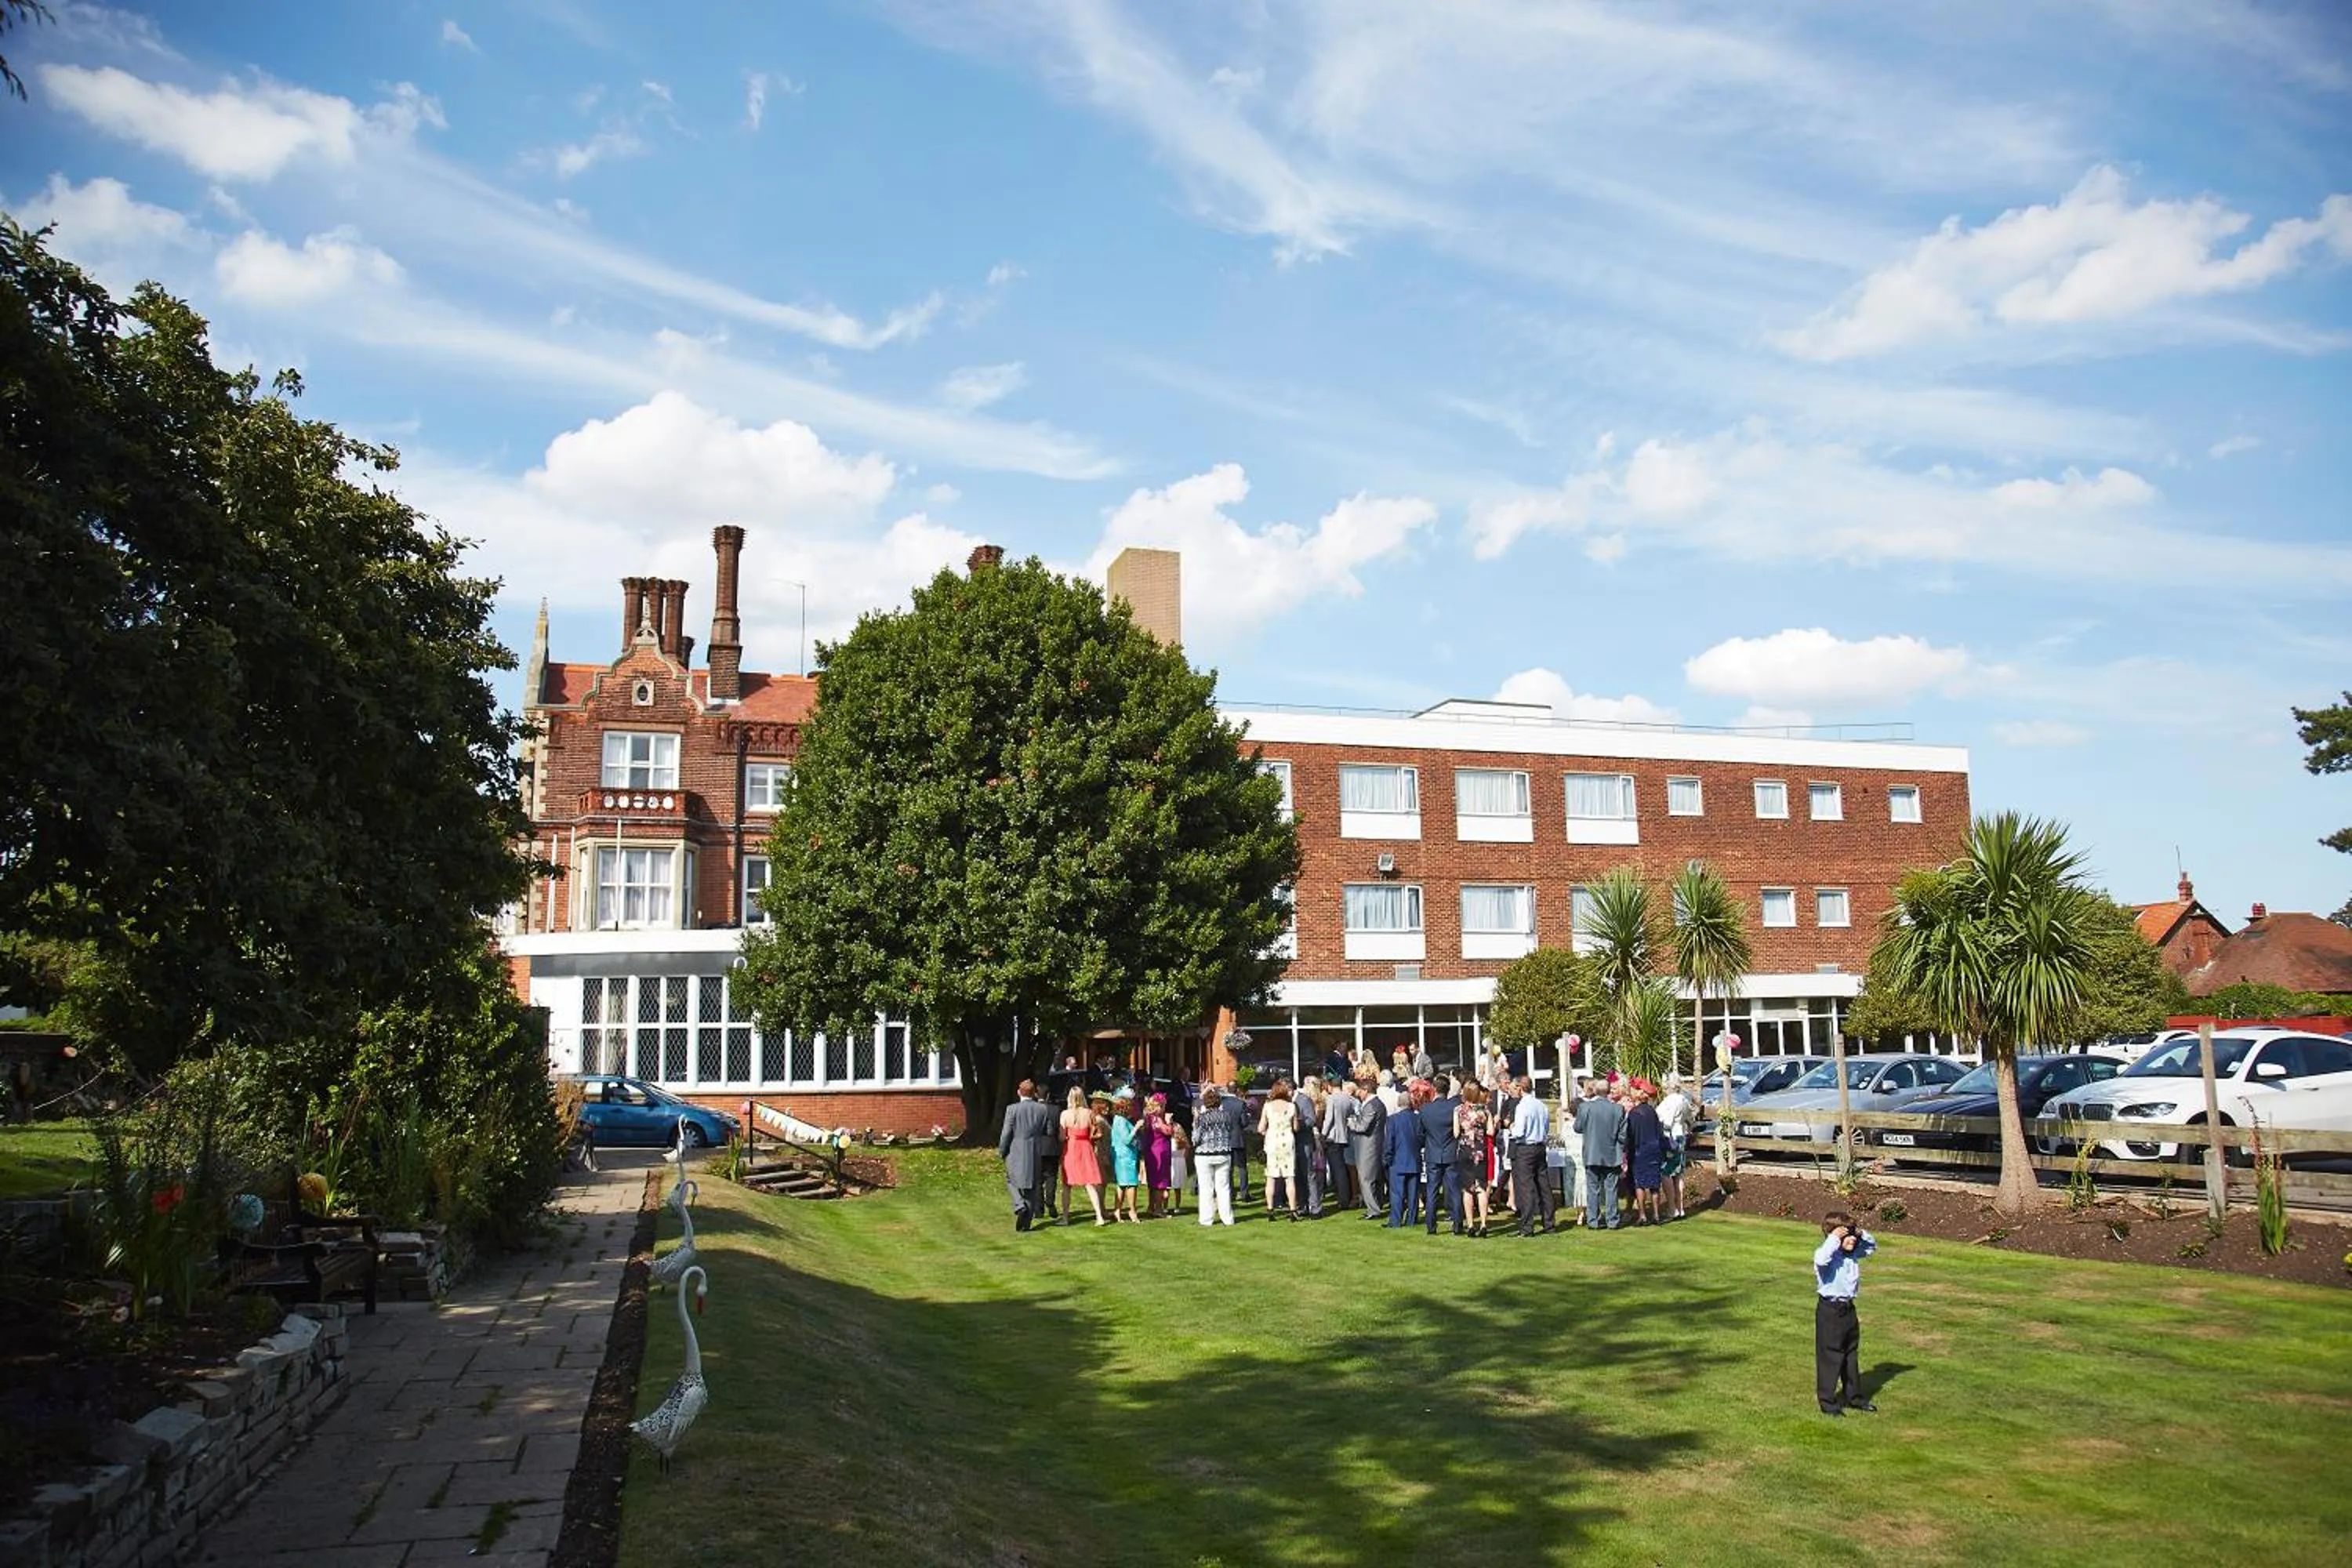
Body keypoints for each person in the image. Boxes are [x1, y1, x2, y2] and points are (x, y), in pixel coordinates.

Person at [1814, 1210, 1879, 1416]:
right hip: (1830, 1311)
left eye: (1852, 1235)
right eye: (1847, 1235)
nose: (1852, 1240)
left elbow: (1871, 1247)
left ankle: (1854, 1397)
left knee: (1850, 1355)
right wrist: (1834, 1237)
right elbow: (1821, 1259)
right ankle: (1828, 1403)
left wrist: (1860, 1233)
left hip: (1849, 1309)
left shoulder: (1852, 1254)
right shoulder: (1828, 1256)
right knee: (1831, 1356)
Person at [996, 1080, 1059, 1232]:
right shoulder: (1042, 1109)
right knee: (1032, 1186)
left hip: (1015, 1150)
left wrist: (1002, 1150)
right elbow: (1049, 1131)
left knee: (1011, 1180)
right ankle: (1026, 1224)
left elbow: (1006, 1133)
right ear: (1033, 1094)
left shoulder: (1012, 1109)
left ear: (1019, 1092)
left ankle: (1020, 1205)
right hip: (1035, 1151)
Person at [1573, 1077, 1628, 1230]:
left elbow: (1577, 1127)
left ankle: (1593, 1220)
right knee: (1611, 1189)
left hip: (1592, 1153)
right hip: (1612, 1153)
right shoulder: (1618, 1109)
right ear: (1609, 1091)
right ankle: (1612, 1220)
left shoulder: (1585, 1107)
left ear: (1595, 1091)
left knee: (1593, 1188)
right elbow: (1623, 1135)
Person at [1189, 1084, 1246, 1227]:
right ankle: (1228, 1218)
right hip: (1223, 1153)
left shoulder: (1202, 1118)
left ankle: (1206, 1219)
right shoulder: (1226, 1116)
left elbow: (1195, 1139)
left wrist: (1195, 1121)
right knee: (1224, 1187)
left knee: (1206, 1188)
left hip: (1204, 1154)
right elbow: (1230, 1131)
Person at [1507, 1076, 1555, 1236]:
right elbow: (1546, 1128)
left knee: (1526, 1187)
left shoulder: (1523, 1106)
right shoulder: (1541, 1105)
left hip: (1525, 1148)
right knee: (1544, 1186)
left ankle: (1527, 1226)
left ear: (1520, 1088)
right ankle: (1549, 1223)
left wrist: (1511, 1127)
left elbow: (1519, 1131)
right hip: (1540, 1146)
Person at [1419, 1074, 1463, 1235]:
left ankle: (1431, 1226)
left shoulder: (1426, 1109)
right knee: (1455, 1191)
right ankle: (1457, 1224)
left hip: (1433, 1154)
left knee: (1432, 1192)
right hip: (1450, 1153)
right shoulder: (1454, 1107)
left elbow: (1420, 1133)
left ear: (1434, 1089)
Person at [1059, 1087, 1109, 1227]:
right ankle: (1099, 1216)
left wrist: (1068, 1136)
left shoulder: (1065, 1114)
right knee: (1090, 1183)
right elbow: (1096, 1132)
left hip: (1071, 1148)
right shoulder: (1089, 1113)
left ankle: (1065, 1218)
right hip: (1086, 1147)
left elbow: (1062, 1136)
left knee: (1067, 1185)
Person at [1257, 1079, 1305, 1221]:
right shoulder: (1291, 1106)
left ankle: (1270, 1210)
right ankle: (1293, 1210)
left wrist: (1268, 1132)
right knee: (1289, 1177)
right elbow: (1296, 1128)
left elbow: (1260, 1128)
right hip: (1287, 1141)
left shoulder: (1267, 1106)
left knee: (1271, 1177)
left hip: (1272, 1142)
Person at [1454, 1083, 1494, 1237]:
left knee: (1467, 1189)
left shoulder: (1458, 1110)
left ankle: (1471, 1225)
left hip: (1465, 1151)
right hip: (1480, 1151)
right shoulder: (1485, 1111)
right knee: (1481, 1188)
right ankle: (1483, 1224)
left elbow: (1456, 1133)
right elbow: (1490, 1132)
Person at [1383, 1080, 1425, 1228]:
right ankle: (1412, 1219)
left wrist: (1387, 1159)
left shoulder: (1393, 1120)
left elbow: (1389, 1142)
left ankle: (1396, 1221)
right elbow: (1421, 1139)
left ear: (1399, 1104)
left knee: (1397, 1194)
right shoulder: (1417, 1119)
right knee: (1413, 1194)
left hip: (1398, 1161)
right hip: (1414, 1160)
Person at [1348, 1073, 1388, 1219]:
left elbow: (1363, 1127)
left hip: (1369, 1147)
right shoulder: (1376, 1104)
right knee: (1374, 1179)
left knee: (1366, 1179)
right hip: (1373, 1145)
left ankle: (1373, 1210)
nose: (1358, 1093)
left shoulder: (1372, 1105)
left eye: (1360, 1090)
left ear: (1366, 1090)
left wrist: (1351, 1123)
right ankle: (1376, 1205)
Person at [1625, 1083, 1665, 1225]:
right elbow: (1659, 1132)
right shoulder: (1653, 1112)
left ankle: (1642, 1215)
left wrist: (1627, 1151)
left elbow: (1630, 1135)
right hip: (1654, 1150)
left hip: (1639, 1151)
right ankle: (1656, 1215)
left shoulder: (1633, 1113)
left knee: (1640, 1185)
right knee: (1654, 1186)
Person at [1657, 1073, 1694, 1221]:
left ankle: (1672, 1209)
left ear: (1669, 1086)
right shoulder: (1684, 1100)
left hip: (1670, 1138)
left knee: (1665, 1172)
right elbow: (1690, 1120)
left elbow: (1667, 1122)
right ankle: (1681, 1208)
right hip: (1681, 1136)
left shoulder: (1669, 1101)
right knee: (1678, 1173)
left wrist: (1665, 1138)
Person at [1321, 1075, 1358, 1214]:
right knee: (1344, 1168)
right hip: (1345, 1135)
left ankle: (1343, 1200)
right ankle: (1347, 1197)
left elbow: (1329, 1119)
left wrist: (1323, 1135)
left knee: (1337, 1170)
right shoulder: (1348, 1098)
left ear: (1331, 1086)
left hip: (1334, 1137)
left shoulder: (1332, 1099)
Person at [1109, 1090, 1144, 1223]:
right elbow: (1127, 1140)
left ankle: (1117, 1211)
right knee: (1132, 1184)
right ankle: (1132, 1211)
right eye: (1130, 1106)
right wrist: (1136, 1127)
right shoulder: (1121, 1121)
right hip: (1125, 1157)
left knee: (1122, 1184)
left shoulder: (1119, 1120)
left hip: (1123, 1156)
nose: (1132, 1109)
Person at [1142, 1092, 1178, 1218]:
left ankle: (1151, 1207)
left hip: (1151, 1151)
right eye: (1162, 1106)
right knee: (1160, 1182)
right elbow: (1168, 1132)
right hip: (1160, 1152)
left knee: (1152, 1181)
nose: (1164, 1109)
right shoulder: (1157, 1119)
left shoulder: (1148, 1118)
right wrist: (1169, 1121)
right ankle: (1158, 1209)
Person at [1297, 1077, 1328, 1218]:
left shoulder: (1309, 1101)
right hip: (1315, 1135)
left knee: (1312, 1172)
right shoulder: (1320, 1100)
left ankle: (1315, 1204)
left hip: (1313, 1136)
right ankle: (1310, 1203)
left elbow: (1314, 1121)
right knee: (1315, 1171)